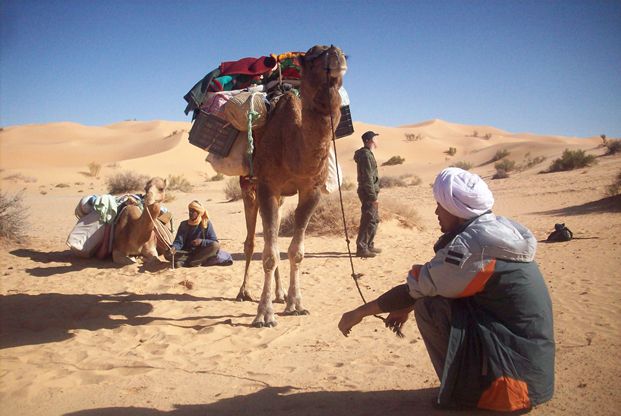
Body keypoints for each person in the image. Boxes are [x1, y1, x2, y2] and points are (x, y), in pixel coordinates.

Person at [338, 167, 554, 412]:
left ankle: (463, 395)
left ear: (457, 210)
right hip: (532, 372)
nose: (436, 212)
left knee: (429, 307)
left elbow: (417, 287)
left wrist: (357, 313)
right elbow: (439, 284)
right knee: (429, 298)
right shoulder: (496, 229)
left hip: (516, 385)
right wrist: (409, 304)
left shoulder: (474, 246)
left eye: (440, 206)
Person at [167, 200, 220, 267]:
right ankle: (192, 262)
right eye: (190, 211)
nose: (190, 213)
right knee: (167, 252)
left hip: (201, 252)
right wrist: (174, 247)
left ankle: (190, 262)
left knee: (215, 246)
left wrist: (201, 242)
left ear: (199, 213)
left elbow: (214, 241)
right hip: (186, 253)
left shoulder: (206, 224)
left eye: (193, 211)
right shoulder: (184, 224)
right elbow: (178, 241)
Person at [354, 131, 381, 258]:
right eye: (374, 138)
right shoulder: (365, 156)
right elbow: (367, 178)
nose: (376, 141)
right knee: (368, 219)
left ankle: (369, 245)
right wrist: (372, 196)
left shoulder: (368, 154)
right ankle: (362, 247)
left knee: (374, 219)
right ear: (368, 141)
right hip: (368, 192)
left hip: (370, 191)